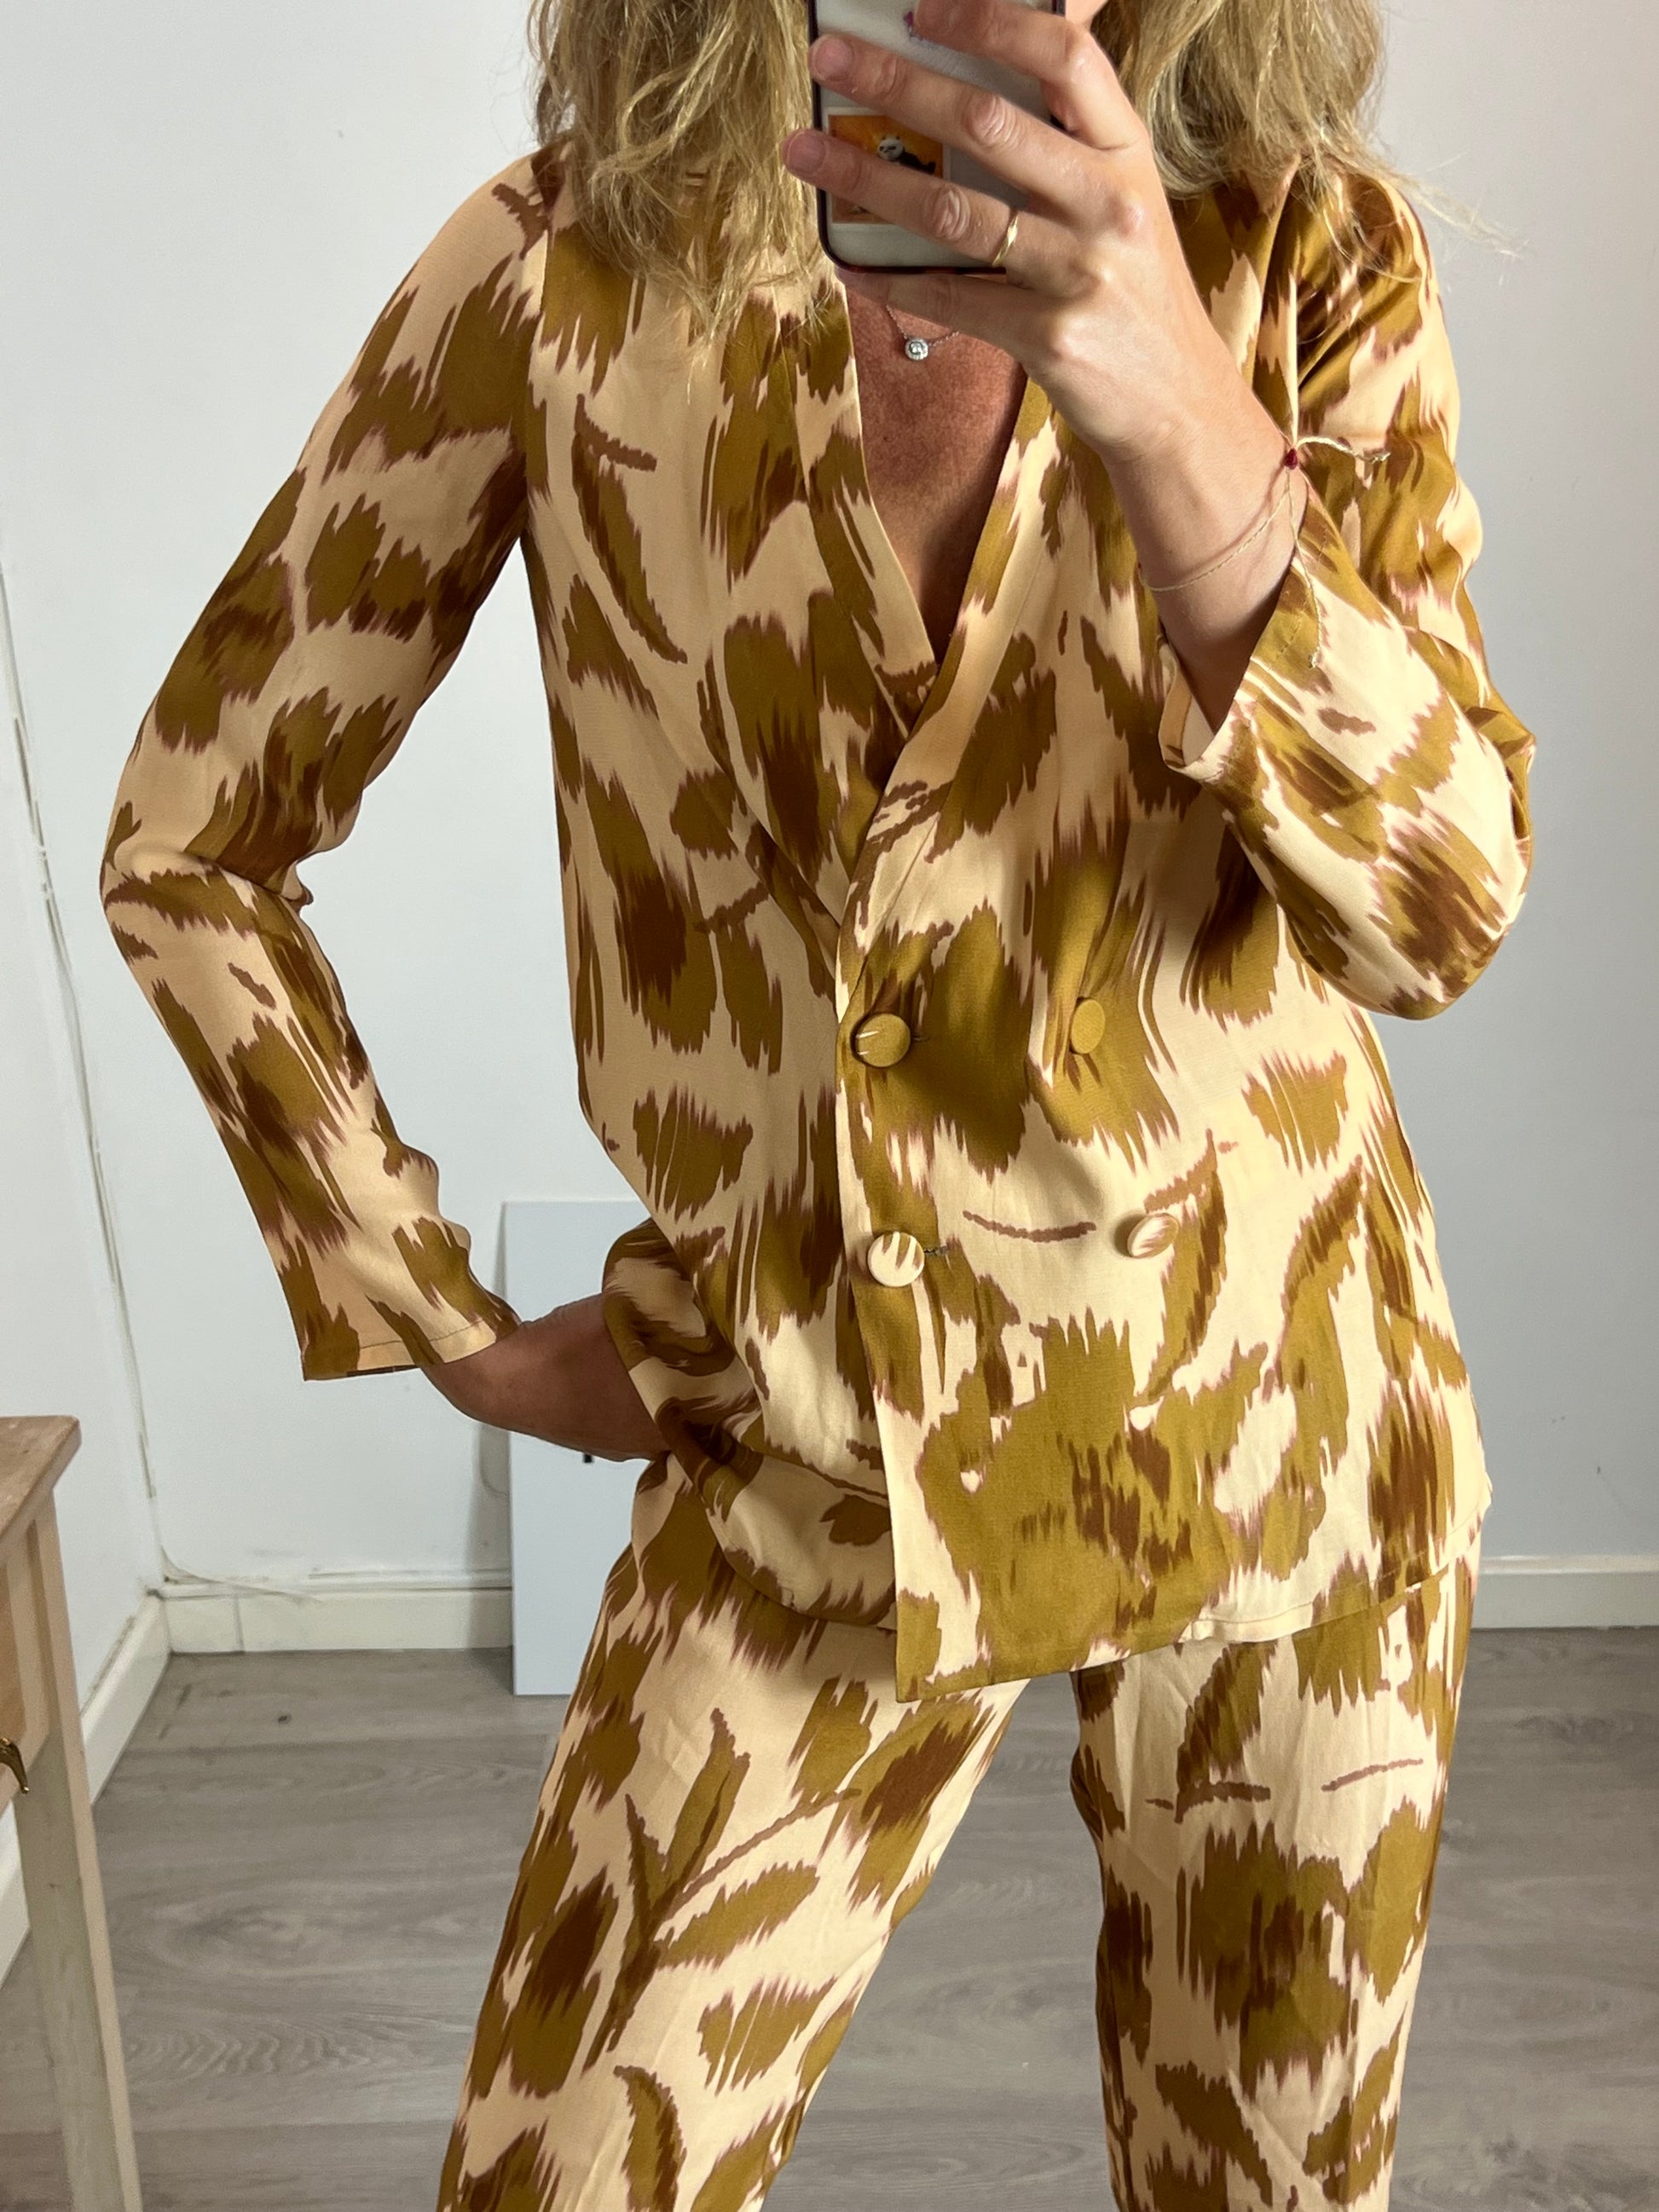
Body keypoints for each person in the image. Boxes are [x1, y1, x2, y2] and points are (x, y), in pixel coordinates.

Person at [100, 0, 1536, 2203]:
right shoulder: (560, 278)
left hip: (1279, 1429)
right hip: (805, 1444)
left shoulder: (1292, 251)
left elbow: (1439, 911)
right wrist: (427, 1305)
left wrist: (1174, 406)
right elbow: (194, 829)